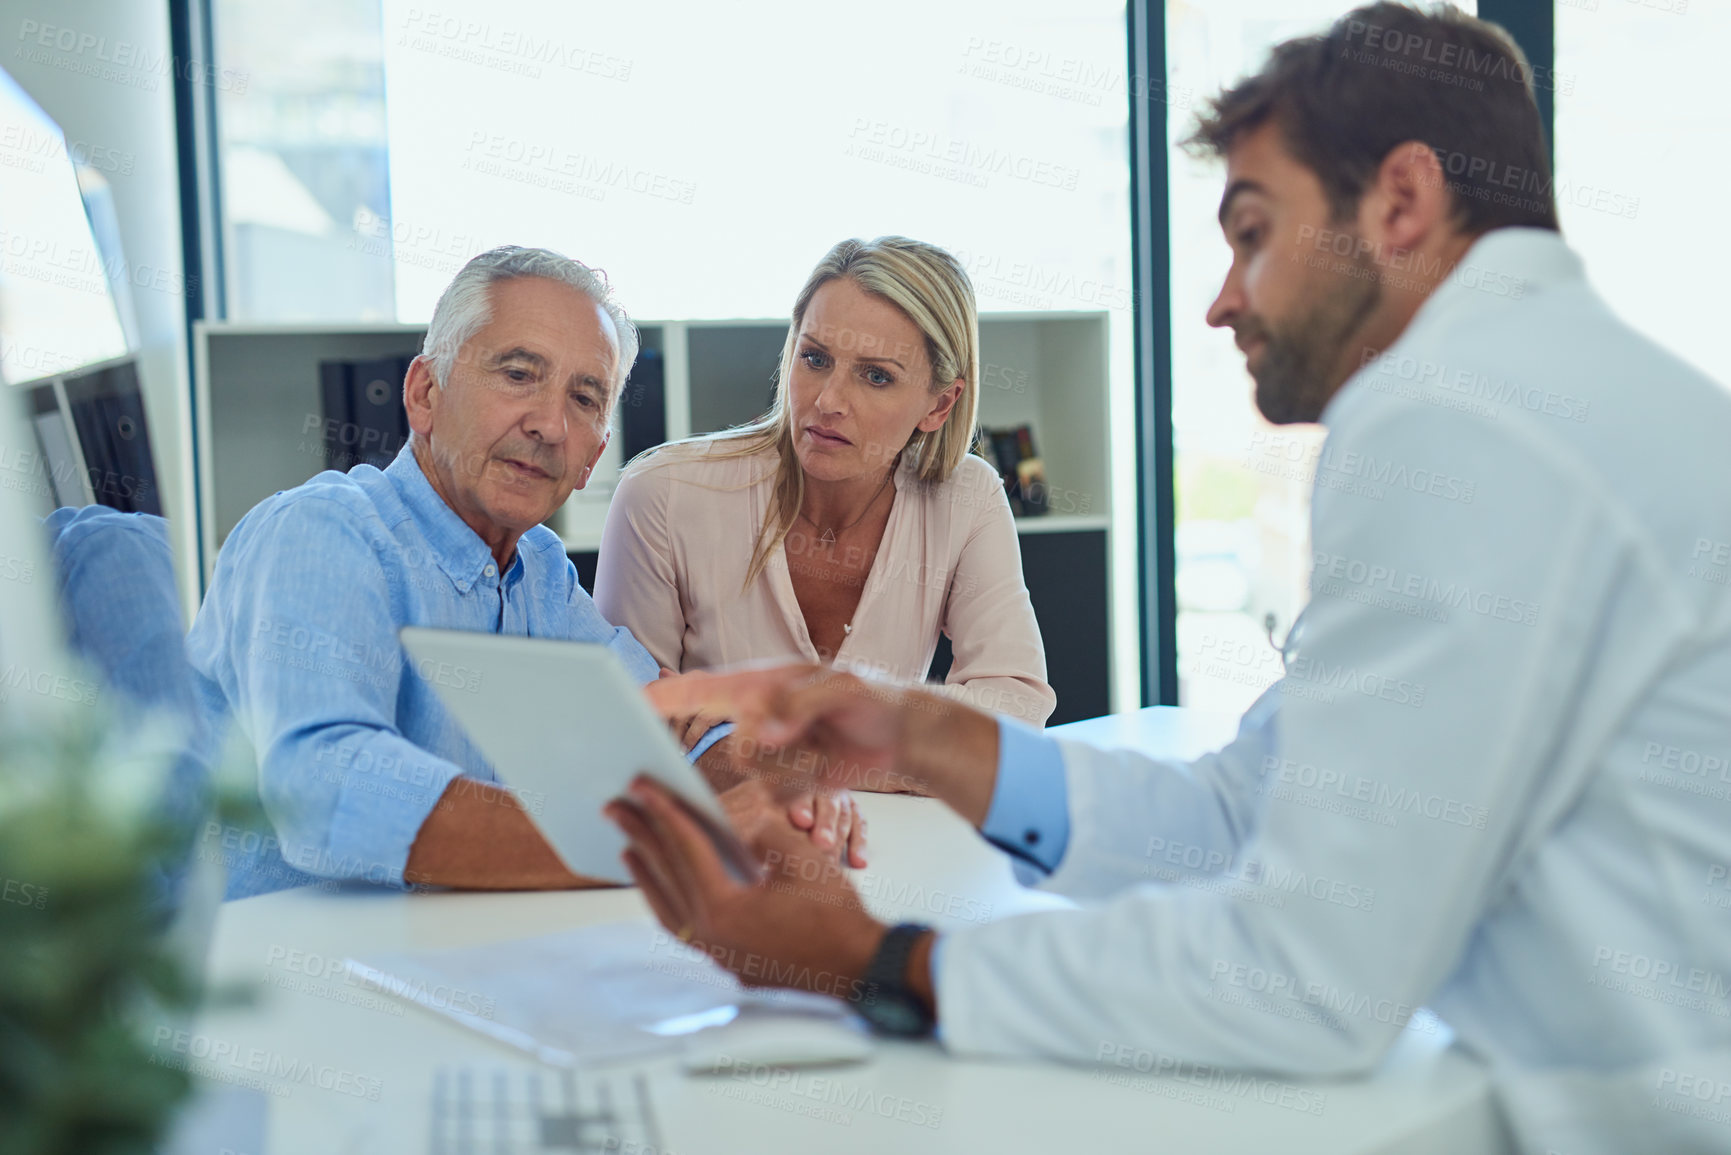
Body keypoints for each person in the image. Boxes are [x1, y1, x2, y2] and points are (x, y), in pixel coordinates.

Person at [604, 7, 1731, 1153]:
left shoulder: (1453, 421)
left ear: (1400, 202)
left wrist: (872, 959)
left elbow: (1305, 979)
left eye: (1251, 234)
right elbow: (1242, 814)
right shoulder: (1587, 397)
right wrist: (920, 737)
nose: (1221, 300)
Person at [187, 246, 865, 898]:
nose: (548, 424)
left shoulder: (537, 566)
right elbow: (326, 788)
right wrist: (665, 838)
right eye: (517, 373)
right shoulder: (323, 532)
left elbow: (662, 721)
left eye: (583, 398)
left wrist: (777, 791)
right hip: (287, 983)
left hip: (458, 959)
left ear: (596, 453)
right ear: (425, 393)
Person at [593, 236, 1054, 744]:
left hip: (891, 826)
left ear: (939, 405)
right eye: (815, 359)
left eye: (876, 376)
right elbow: (628, 729)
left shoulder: (967, 498)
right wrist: (899, 740)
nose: (829, 401)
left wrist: (786, 714)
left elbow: (1016, 709)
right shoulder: (662, 494)